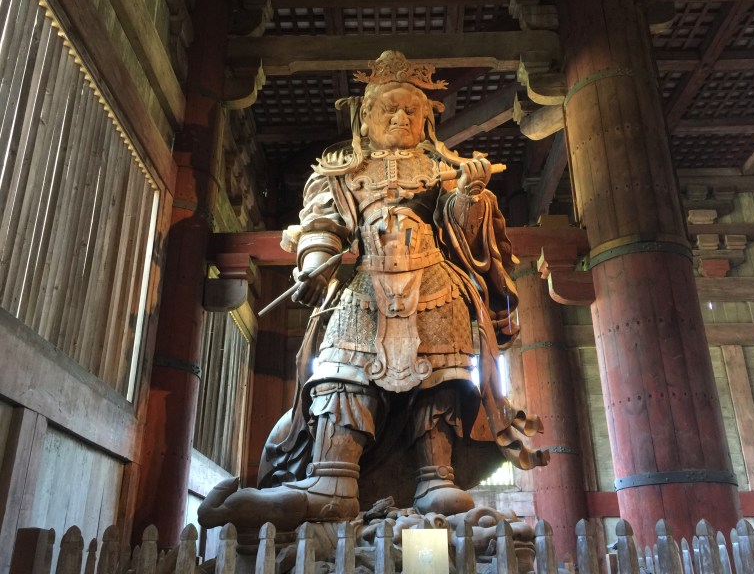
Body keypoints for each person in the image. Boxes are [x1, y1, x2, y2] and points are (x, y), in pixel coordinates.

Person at [199, 51, 548, 532]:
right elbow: (321, 223)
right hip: (364, 287)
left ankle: (436, 476)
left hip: (435, 288)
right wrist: (316, 261)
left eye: (412, 109)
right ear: (366, 114)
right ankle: (332, 478)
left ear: (428, 120)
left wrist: (470, 195)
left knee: (441, 374)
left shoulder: (444, 170)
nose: (401, 116)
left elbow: (467, 238)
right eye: (389, 108)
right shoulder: (339, 173)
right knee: (343, 372)